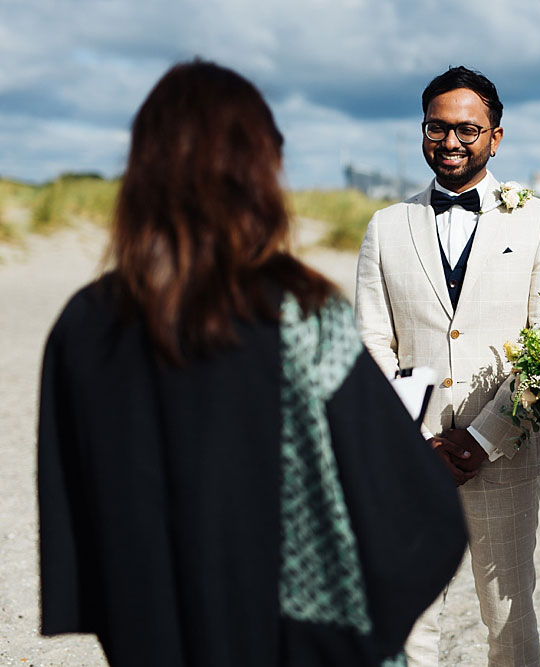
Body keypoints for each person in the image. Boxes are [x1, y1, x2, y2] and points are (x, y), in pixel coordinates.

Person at [37, 60, 467, 667]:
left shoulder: (84, 324)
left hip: (147, 634)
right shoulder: (300, 313)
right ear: (258, 169)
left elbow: (74, 515)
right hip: (285, 640)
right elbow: (419, 513)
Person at [355, 65, 540, 667]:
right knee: (409, 613)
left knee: (508, 615)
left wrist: (483, 439)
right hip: (411, 459)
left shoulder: (539, 221)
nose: (450, 142)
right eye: (436, 128)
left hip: (503, 454)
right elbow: (373, 342)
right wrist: (421, 440)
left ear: (496, 136)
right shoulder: (386, 225)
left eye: (467, 130)